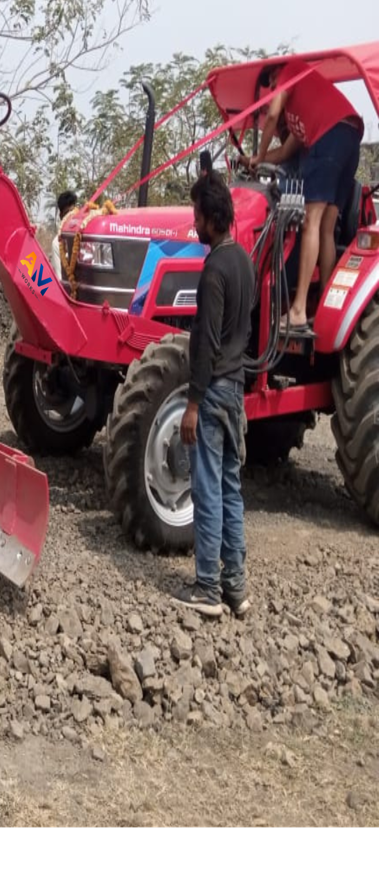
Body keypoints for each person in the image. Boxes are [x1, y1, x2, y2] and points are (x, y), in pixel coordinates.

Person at [177, 170, 256, 619]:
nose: (193, 223)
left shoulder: (212, 272)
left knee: (207, 488)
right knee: (230, 486)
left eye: (196, 215)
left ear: (211, 217)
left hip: (212, 394)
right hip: (236, 390)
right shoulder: (243, 262)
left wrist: (191, 403)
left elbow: (204, 343)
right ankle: (236, 588)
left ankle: (207, 588)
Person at [250, 61, 364, 333]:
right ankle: (326, 306)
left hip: (332, 138)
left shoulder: (291, 70)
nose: (275, 90)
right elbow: (285, 153)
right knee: (326, 228)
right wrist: (255, 159)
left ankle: (299, 309)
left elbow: (274, 114)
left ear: (278, 77)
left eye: (273, 84)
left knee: (309, 222)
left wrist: (259, 154)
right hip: (349, 138)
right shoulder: (301, 116)